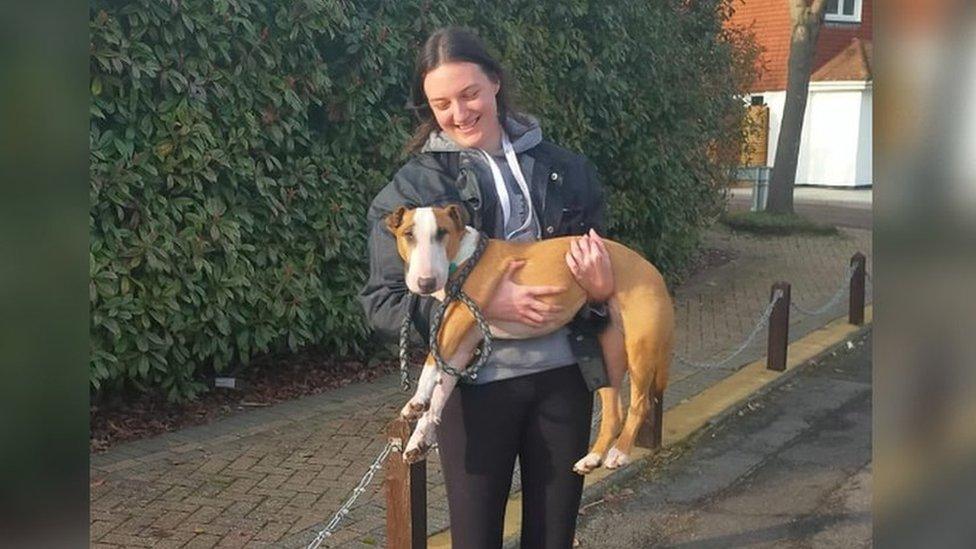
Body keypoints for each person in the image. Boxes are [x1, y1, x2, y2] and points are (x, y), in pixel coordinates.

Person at [359, 26, 614, 549]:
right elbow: (383, 304)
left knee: (553, 537)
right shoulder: (412, 190)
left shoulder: (566, 171)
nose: (460, 112)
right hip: (474, 388)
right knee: (475, 540)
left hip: (564, 378)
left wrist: (599, 288)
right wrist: (483, 307)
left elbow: (596, 271)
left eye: (470, 93)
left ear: (495, 83)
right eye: (442, 103)